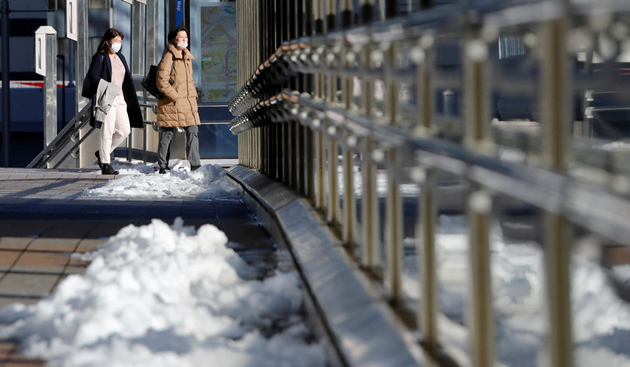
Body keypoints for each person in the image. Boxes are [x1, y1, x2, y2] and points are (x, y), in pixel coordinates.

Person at [82, 28, 143, 175]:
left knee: (124, 130)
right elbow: (93, 76)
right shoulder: (100, 57)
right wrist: (107, 86)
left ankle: (103, 152)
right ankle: (105, 163)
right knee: (107, 130)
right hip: (107, 96)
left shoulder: (121, 57)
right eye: (115, 41)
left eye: (120, 41)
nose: (118, 44)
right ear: (107, 41)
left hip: (121, 98)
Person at [156, 26, 201, 174]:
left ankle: (195, 164)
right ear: (173, 39)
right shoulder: (169, 56)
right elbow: (161, 81)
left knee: (193, 131)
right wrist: (175, 96)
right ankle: (162, 165)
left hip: (188, 103)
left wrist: (193, 95)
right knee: (167, 133)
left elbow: (188, 81)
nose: (184, 40)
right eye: (180, 37)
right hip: (172, 102)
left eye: (185, 37)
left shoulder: (187, 56)